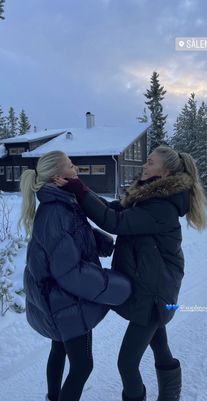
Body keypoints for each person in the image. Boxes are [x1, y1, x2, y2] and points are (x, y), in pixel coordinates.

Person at [54, 145, 207, 401]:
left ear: (165, 171)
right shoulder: (149, 199)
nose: (144, 166)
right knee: (160, 347)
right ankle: (170, 397)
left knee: (127, 363)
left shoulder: (162, 207)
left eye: (149, 162)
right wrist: (80, 188)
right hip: (152, 286)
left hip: (155, 292)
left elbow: (114, 223)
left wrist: (79, 190)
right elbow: (114, 210)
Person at [19, 150, 131, 401]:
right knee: (82, 366)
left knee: (58, 348)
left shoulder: (62, 203)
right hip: (65, 301)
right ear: (59, 176)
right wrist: (117, 286)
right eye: (71, 165)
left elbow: (72, 237)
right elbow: (69, 272)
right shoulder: (56, 211)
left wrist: (98, 241)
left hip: (55, 299)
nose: (76, 168)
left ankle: (53, 396)